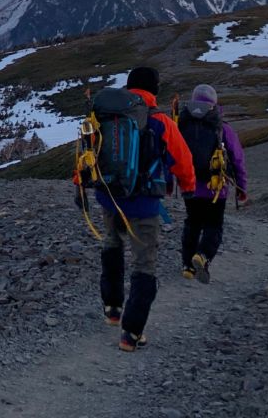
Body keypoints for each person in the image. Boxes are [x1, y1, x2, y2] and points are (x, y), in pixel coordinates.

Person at [82, 66, 195, 352]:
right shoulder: (159, 120)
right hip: (144, 203)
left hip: (110, 196)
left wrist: (80, 185)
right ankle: (131, 333)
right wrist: (189, 188)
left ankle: (112, 307)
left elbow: (87, 152)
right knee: (144, 262)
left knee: (112, 244)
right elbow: (182, 159)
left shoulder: (106, 114)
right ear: (154, 89)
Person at [178, 84, 249, 283]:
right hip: (217, 187)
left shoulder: (182, 124)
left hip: (189, 186)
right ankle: (203, 255)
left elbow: (171, 154)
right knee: (213, 225)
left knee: (192, 223)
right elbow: (237, 158)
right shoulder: (222, 127)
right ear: (214, 103)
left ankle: (187, 267)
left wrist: (168, 182)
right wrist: (242, 187)